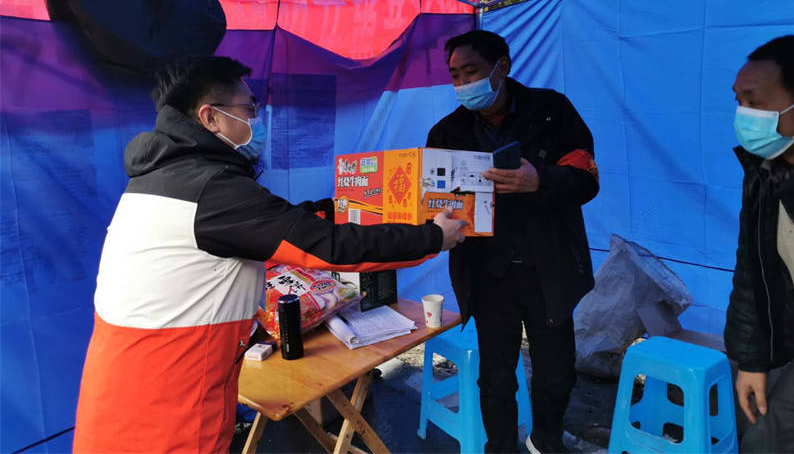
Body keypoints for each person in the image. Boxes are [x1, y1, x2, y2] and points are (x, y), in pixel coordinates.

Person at [73, 56, 467, 453]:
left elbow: (270, 224)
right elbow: (330, 247)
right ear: (210, 118)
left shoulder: (160, 179)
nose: (257, 119)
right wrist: (433, 237)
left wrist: (333, 209)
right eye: (250, 109)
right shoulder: (214, 191)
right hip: (170, 417)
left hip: (118, 402)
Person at [426, 30, 599, 453]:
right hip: (487, 274)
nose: (462, 83)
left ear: (501, 67)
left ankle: (545, 440)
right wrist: (433, 220)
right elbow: (432, 198)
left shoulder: (552, 111)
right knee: (496, 376)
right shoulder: (446, 132)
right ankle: (499, 447)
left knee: (556, 371)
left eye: (471, 72)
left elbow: (586, 178)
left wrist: (540, 180)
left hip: (549, 268)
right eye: (454, 75)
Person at [725, 35, 794, 453]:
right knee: (754, 427)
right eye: (739, 102)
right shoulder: (765, 174)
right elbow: (751, 272)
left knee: (769, 440)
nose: (744, 115)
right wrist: (752, 360)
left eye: (755, 102)